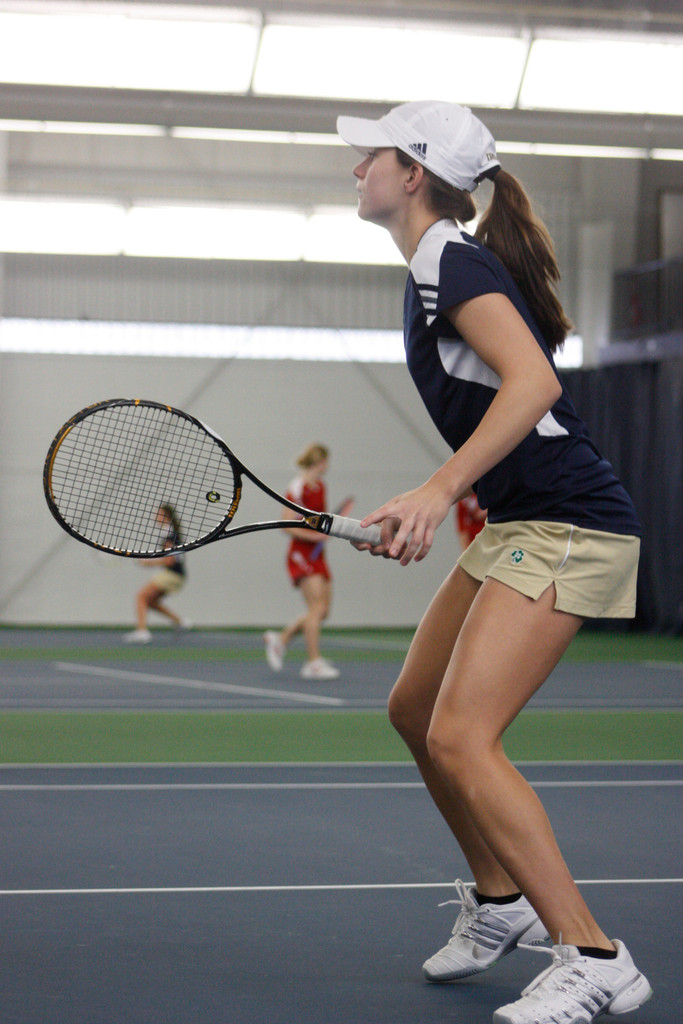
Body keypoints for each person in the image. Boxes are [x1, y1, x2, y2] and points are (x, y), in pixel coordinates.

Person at [337, 101, 651, 1024]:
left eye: (372, 157)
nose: (356, 170)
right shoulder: (437, 266)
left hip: (571, 524)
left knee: (460, 738)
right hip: (520, 519)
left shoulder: (448, 258)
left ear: (414, 173)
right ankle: (500, 900)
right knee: (412, 710)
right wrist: (424, 499)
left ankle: (594, 954)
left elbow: (536, 385)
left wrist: (436, 493)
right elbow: (503, 411)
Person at [264, 443, 340, 680]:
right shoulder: (297, 487)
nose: (328, 465)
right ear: (319, 461)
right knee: (316, 609)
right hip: (301, 554)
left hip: (318, 554)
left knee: (323, 611)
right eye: (326, 460)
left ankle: (281, 639)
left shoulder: (321, 486)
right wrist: (314, 536)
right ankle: (313, 663)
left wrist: (324, 532)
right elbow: (286, 525)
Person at [123, 504, 191, 644]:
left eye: (159, 514)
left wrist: (147, 563)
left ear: (166, 517)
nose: (156, 517)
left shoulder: (169, 535)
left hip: (172, 574)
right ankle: (180, 622)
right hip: (178, 576)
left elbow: (169, 561)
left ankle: (142, 632)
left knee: (141, 596)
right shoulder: (171, 533)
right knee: (151, 601)